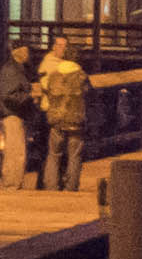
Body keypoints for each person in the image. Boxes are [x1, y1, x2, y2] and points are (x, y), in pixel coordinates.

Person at [40, 46, 90, 193]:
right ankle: (71, 187)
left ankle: (51, 187)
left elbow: (48, 90)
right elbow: (89, 94)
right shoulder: (81, 76)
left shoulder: (54, 75)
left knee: (54, 154)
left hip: (56, 119)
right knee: (75, 155)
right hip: (75, 120)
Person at [1, 44, 37, 188]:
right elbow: (7, 95)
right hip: (12, 114)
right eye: (25, 51)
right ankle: (11, 184)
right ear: (19, 52)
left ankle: (13, 183)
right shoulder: (12, 70)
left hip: (16, 114)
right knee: (15, 152)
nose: (27, 54)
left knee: (16, 151)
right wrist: (29, 96)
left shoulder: (17, 69)